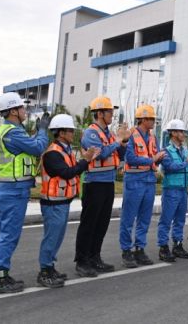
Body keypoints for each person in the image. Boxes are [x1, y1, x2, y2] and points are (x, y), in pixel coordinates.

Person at [0, 92, 49, 294]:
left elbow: (27, 147)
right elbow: (38, 147)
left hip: (8, 188)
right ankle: (0, 278)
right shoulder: (13, 133)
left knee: (4, 233)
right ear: (13, 111)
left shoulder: (10, 131)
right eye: (22, 108)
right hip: (13, 191)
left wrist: (36, 133)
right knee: (9, 235)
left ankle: (1, 273)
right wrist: (43, 130)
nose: (25, 111)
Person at [38, 114, 100, 288]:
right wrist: (85, 160)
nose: (73, 133)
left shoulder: (65, 150)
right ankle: (44, 271)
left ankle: (50, 267)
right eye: (70, 130)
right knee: (51, 238)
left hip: (62, 201)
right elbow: (67, 173)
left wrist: (85, 160)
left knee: (56, 238)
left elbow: (73, 169)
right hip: (53, 203)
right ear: (61, 132)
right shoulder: (53, 153)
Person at [74, 96, 130, 277]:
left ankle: (94, 257)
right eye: (109, 112)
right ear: (99, 113)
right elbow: (101, 153)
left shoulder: (109, 134)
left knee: (102, 223)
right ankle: (82, 261)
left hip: (107, 183)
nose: (112, 115)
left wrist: (124, 141)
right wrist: (117, 141)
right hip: (94, 183)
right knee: (89, 223)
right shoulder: (91, 133)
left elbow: (121, 154)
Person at [120, 104, 165, 268]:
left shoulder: (153, 137)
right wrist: (152, 160)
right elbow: (130, 158)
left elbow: (156, 157)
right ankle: (126, 250)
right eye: (151, 119)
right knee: (128, 218)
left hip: (149, 180)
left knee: (145, 218)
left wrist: (159, 159)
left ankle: (139, 248)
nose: (153, 122)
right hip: (134, 179)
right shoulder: (131, 135)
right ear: (143, 119)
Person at [157, 119, 188, 262]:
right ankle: (163, 248)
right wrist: (187, 162)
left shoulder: (185, 150)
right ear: (173, 133)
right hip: (171, 189)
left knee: (180, 219)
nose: (183, 134)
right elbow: (170, 167)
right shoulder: (166, 151)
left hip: (183, 189)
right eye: (180, 131)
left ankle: (178, 245)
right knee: (166, 220)